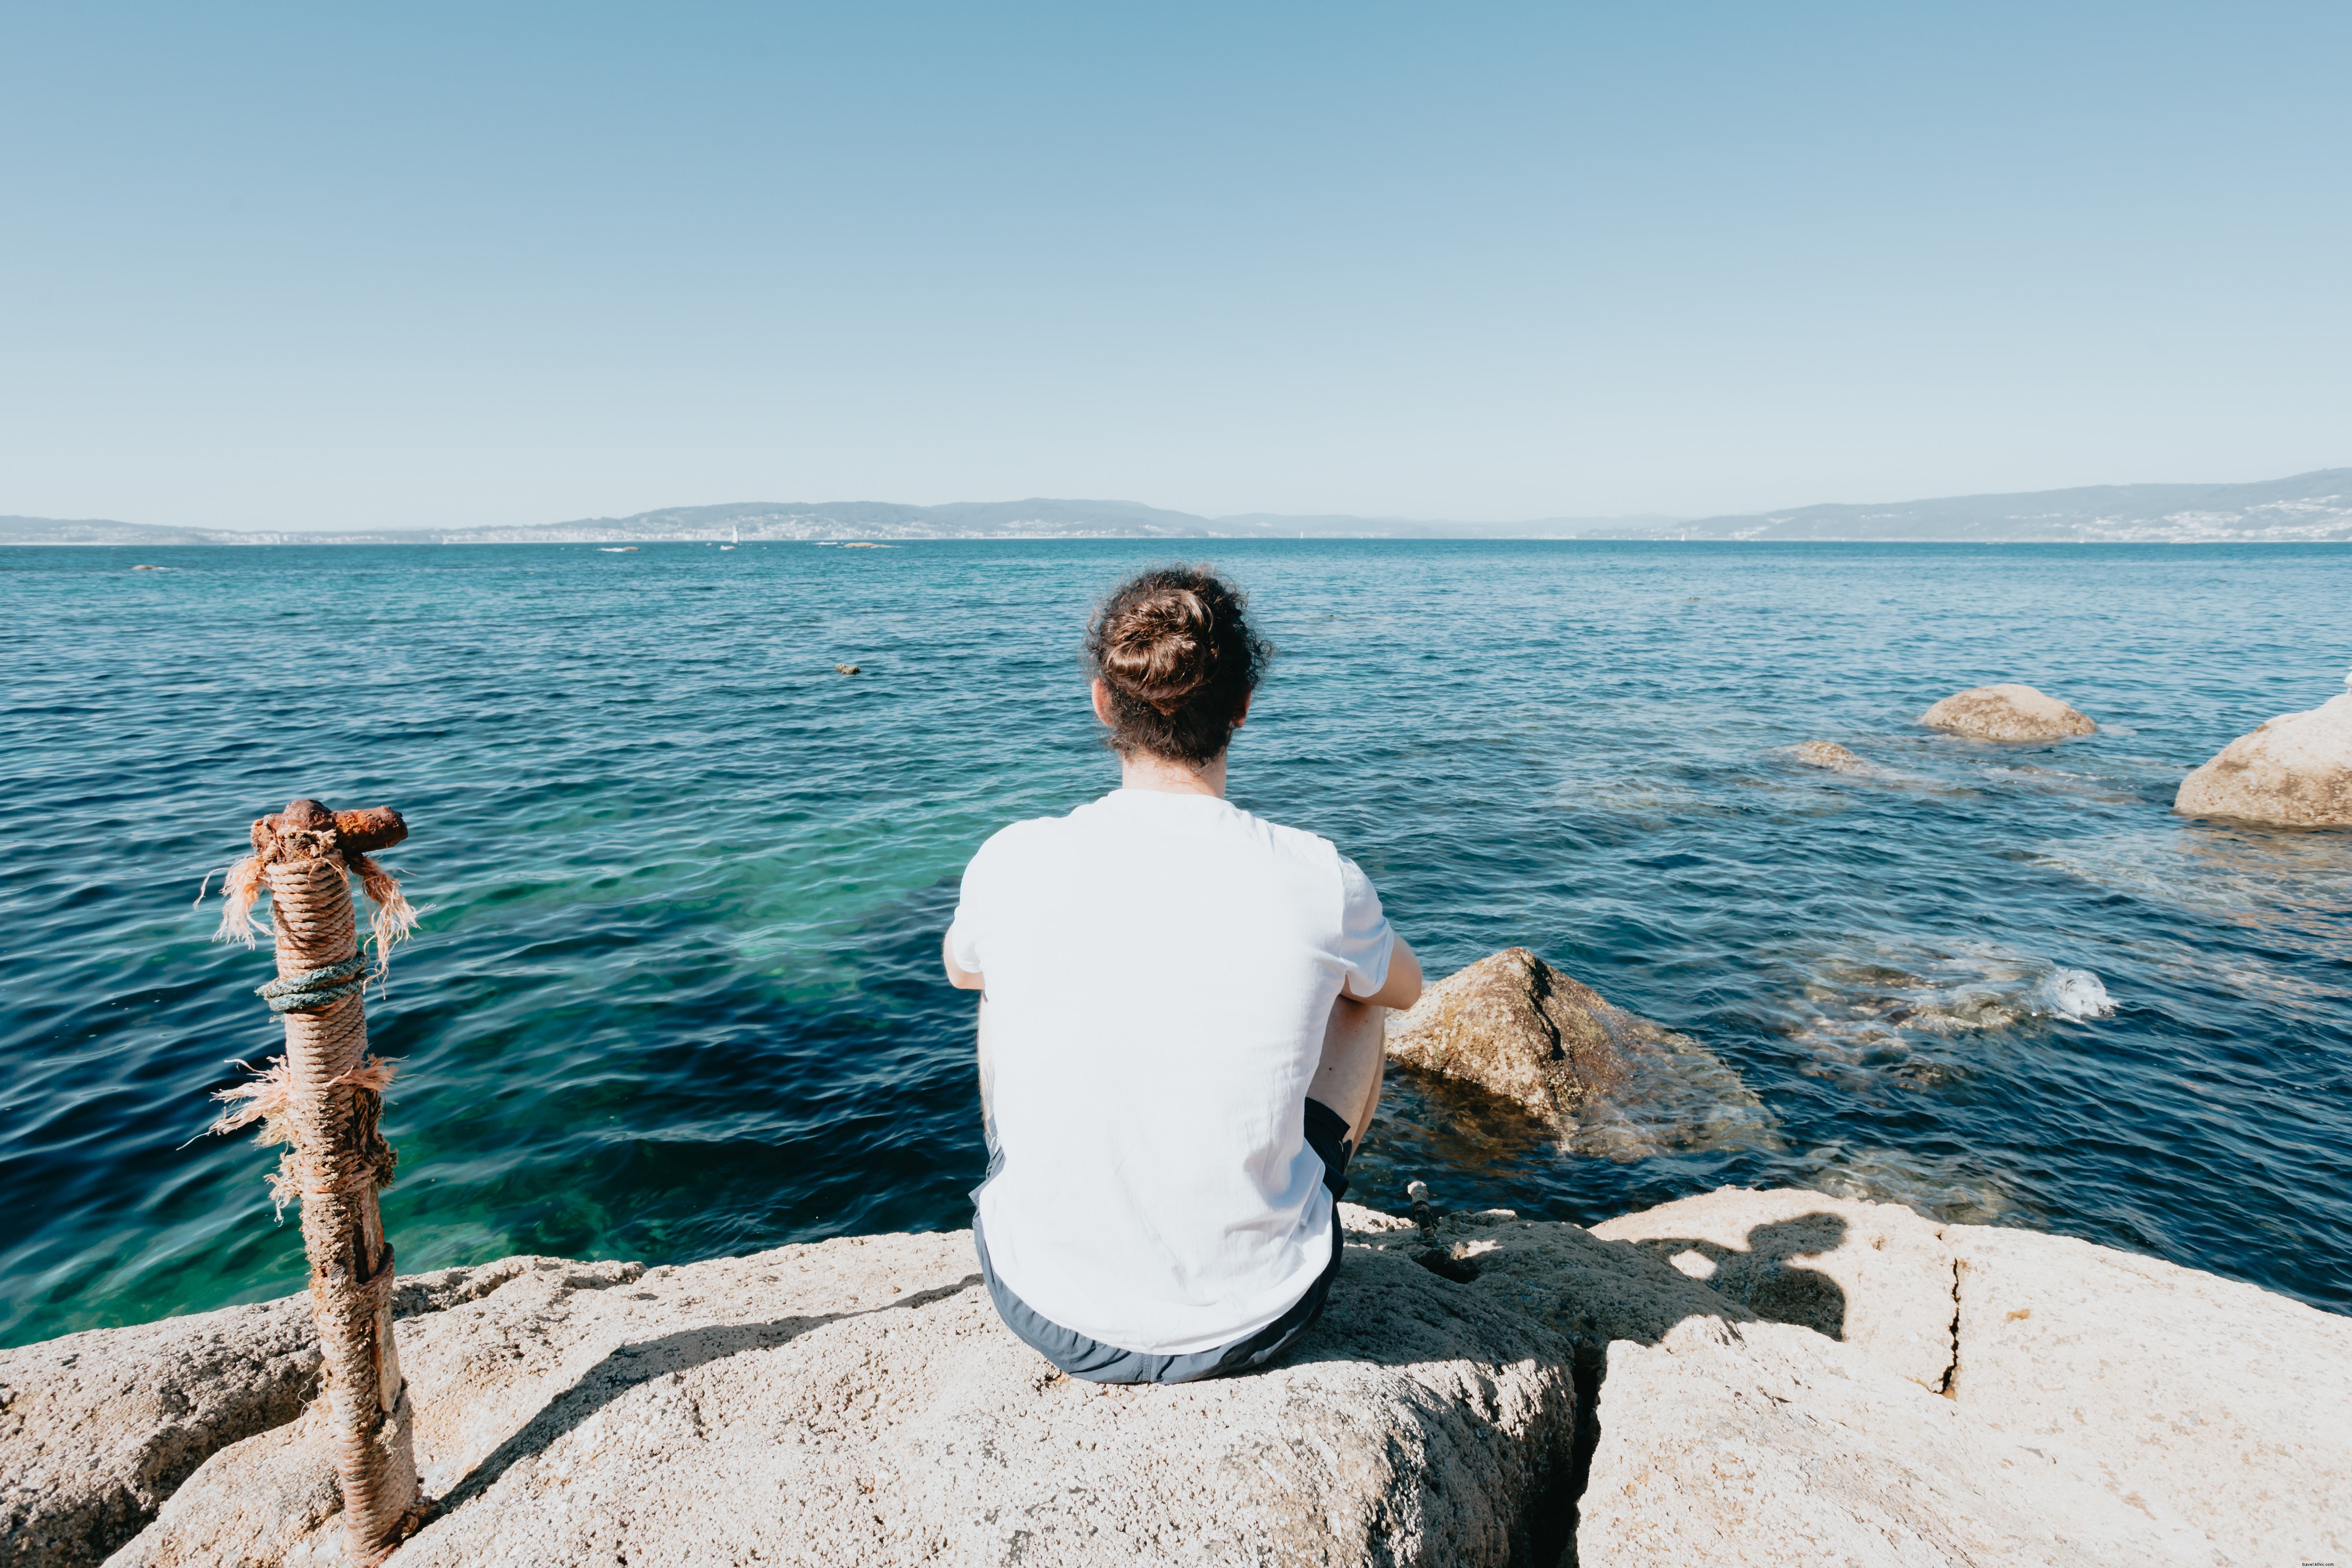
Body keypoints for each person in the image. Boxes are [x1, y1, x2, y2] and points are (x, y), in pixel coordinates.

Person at [941, 564, 1423, 1384]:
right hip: (1258, 1316)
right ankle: (1272, 1205)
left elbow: (960, 971)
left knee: (994, 980)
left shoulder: (1012, 857)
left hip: (1042, 1301)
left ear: (1102, 700)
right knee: (1361, 995)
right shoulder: (1314, 872)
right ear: (1241, 707)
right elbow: (1404, 990)